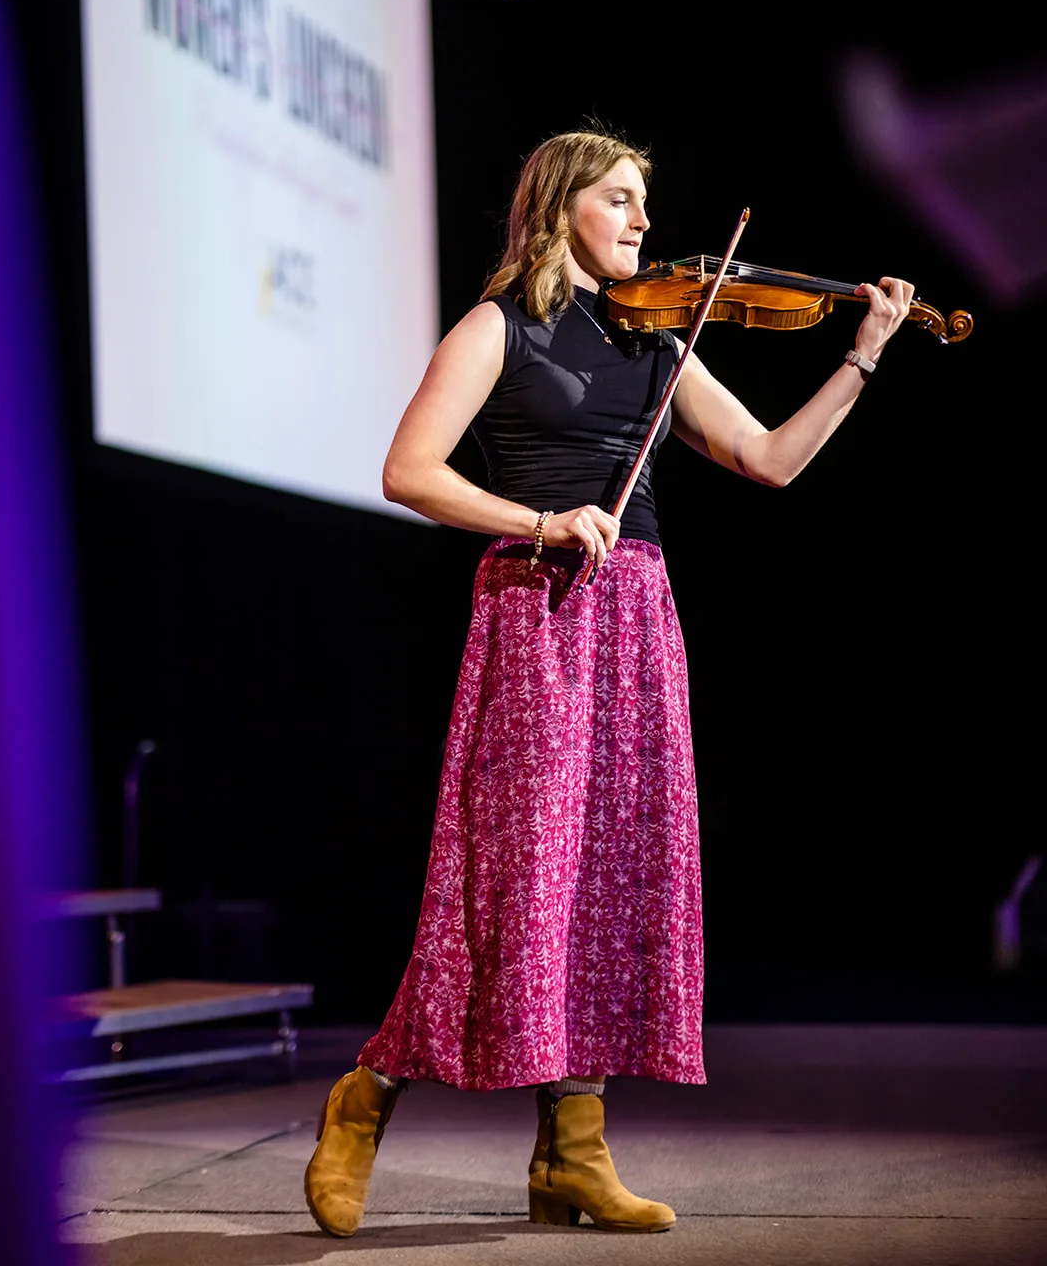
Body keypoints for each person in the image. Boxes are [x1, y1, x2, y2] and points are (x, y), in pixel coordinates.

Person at [304, 129, 913, 1237]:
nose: (642, 222)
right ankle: (366, 1096)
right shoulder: (500, 326)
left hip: (634, 612)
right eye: (621, 200)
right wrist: (542, 519)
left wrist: (861, 353)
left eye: (645, 203)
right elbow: (409, 473)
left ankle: (570, 1154)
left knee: (610, 878)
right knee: (511, 882)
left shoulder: (661, 338)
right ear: (559, 208)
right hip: (534, 609)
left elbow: (769, 460)